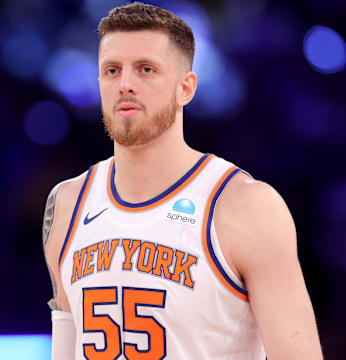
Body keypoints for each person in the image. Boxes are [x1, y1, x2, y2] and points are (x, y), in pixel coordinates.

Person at [42, 2, 323, 359]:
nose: (126, 84)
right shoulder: (67, 203)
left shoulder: (244, 206)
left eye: (146, 69)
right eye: (112, 70)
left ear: (185, 88)